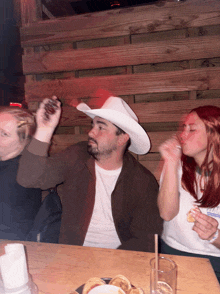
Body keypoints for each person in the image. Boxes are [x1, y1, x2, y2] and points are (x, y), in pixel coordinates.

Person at [17, 96, 163, 251]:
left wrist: (112, 262)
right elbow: (28, 178)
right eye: (92, 125)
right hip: (71, 254)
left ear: (122, 138)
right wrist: (45, 129)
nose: (92, 132)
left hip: (118, 260)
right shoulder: (77, 156)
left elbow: (146, 239)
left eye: (101, 127)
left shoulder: (142, 181)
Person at [158, 105, 220, 282]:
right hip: (173, 254)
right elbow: (166, 214)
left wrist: (214, 235)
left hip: (215, 263)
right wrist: (170, 162)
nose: (183, 135)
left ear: (214, 133)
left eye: (192, 129)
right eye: (183, 128)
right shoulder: (176, 166)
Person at [0, 106, 42, 240]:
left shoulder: (17, 174)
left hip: (10, 249)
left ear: (23, 141)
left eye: (4, 134)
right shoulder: (7, 162)